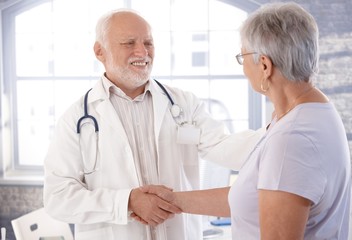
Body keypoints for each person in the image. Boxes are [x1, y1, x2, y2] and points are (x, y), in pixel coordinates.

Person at [43, 8, 264, 240]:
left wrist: (279, 131)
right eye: (129, 43)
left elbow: (223, 146)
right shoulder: (77, 119)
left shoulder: (183, 104)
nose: (142, 51)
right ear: (100, 51)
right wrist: (127, 202)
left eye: (148, 42)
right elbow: (58, 198)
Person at [140, 2, 352, 239]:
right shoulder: (315, 111)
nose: (243, 68)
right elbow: (255, 199)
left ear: (264, 65)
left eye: (243, 57)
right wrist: (175, 200)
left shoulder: (291, 139)